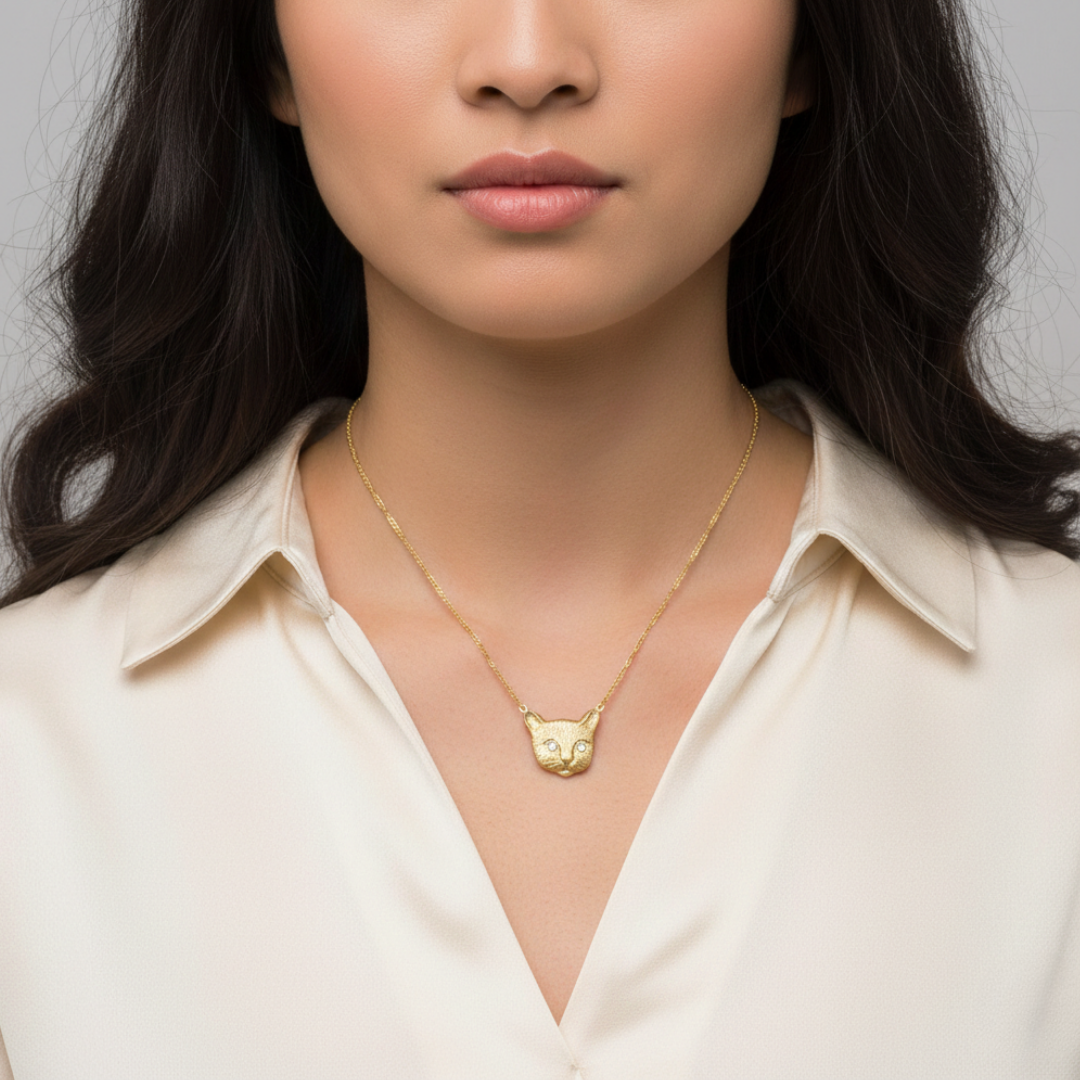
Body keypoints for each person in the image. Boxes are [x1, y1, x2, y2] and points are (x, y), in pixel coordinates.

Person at [1, 0, 1078, 1074]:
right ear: (265, 52)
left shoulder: (1051, 706)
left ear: (811, 40)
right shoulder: (33, 746)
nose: (526, 63)